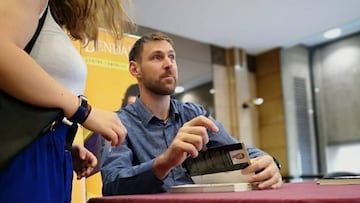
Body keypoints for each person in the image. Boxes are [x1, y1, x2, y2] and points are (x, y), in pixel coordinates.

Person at [100, 32, 283, 195]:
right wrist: (164, 162)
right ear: (135, 69)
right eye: (157, 57)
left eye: (172, 57)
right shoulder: (117, 123)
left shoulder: (194, 114)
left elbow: (236, 150)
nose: (169, 64)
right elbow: (111, 185)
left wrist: (269, 162)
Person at [0, 0, 134, 202]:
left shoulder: (49, 16)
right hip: (22, 161)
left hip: (49, 155)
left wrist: (62, 143)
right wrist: (83, 111)